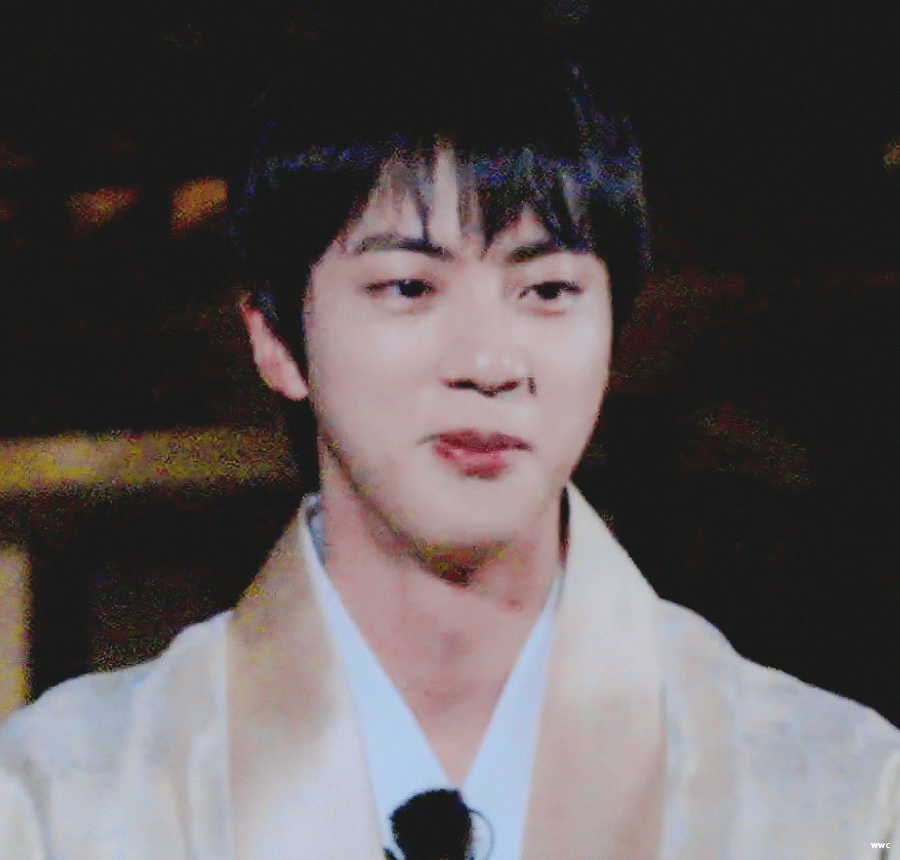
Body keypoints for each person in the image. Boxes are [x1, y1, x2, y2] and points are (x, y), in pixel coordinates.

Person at [2, 5, 899, 858]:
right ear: (275, 339)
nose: (489, 361)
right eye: (408, 287)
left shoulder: (838, 793)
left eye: (547, 290)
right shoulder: (64, 801)